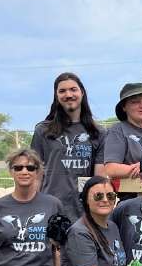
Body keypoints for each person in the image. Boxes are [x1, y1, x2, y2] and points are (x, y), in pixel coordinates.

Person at [31, 72, 106, 222]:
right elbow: (35, 175)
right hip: (50, 211)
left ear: (82, 93)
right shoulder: (43, 131)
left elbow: (99, 180)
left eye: (73, 89)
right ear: (56, 96)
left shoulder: (98, 133)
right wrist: (32, 206)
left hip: (82, 214)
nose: (68, 94)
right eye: (62, 91)